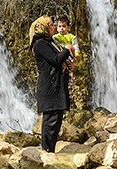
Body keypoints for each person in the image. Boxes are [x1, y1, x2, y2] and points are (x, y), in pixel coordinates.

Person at [29, 15, 75, 152]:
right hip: (50, 88)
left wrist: (68, 64)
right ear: (42, 28)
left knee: (56, 121)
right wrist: (67, 49)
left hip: (55, 86)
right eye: (50, 25)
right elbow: (55, 59)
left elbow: (59, 60)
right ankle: (46, 152)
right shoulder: (40, 44)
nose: (53, 27)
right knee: (50, 122)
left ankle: (50, 151)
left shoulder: (50, 42)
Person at [53, 15, 79, 87]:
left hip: (69, 56)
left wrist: (75, 56)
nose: (62, 28)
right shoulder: (55, 37)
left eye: (64, 26)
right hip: (59, 56)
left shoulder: (72, 37)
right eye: (59, 26)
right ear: (57, 28)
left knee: (69, 67)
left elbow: (75, 47)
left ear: (68, 27)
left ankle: (69, 81)